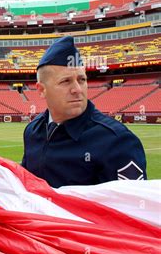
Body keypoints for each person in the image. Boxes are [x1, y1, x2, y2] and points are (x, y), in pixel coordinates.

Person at [22, 36, 147, 188]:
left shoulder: (117, 141)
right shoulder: (32, 131)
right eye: (66, 81)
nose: (77, 90)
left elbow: (130, 206)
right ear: (41, 90)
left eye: (81, 80)